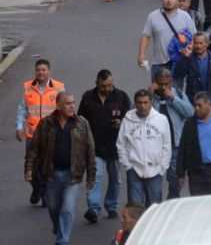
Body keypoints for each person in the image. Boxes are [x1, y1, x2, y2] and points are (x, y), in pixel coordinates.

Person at [25, 92, 96, 245]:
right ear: (58, 106)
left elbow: (90, 151)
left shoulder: (81, 123)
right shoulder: (46, 124)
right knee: (53, 207)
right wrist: (29, 169)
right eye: (67, 103)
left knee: (67, 208)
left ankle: (62, 240)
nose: (72, 106)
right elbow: (34, 149)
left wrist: (91, 176)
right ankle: (59, 228)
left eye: (73, 103)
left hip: (73, 175)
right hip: (51, 175)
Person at [79, 69, 131, 222]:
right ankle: (93, 209)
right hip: (94, 147)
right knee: (95, 178)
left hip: (115, 147)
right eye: (104, 86)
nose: (108, 89)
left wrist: (121, 122)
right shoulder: (87, 97)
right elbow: (81, 120)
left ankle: (111, 206)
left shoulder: (121, 97)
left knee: (115, 179)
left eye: (110, 85)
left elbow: (130, 118)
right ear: (97, 83)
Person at [17, 59, 65, 206]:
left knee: (47, 166)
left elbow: (64, 109)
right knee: (30, 168)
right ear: (35, 71)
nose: (41, 73)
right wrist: (19, 127)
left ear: (49, 71)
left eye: (44, 70)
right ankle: (37, 188)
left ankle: (45, 194)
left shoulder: (59, 88)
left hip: (51, 134)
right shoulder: (28, 87)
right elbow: (22, 110)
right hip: (32, 134)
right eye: (38, 70)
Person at [116, 88, 172, 207]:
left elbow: (167, 145)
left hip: (155, 171)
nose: (142, 106)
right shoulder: (128, 119)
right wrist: (128, 166)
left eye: (145, 102)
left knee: (154, 209)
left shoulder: (161, 120)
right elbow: (121, 144)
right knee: (135, 209)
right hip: (134, 170)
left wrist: (162, 168)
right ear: (135, 103)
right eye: (139, 103)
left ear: (151, 102)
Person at [176, 91, 211, 195]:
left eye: (200, 105)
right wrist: (181, 173)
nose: (197, 108)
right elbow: (183, 149)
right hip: (196, 171)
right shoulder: (190, 124)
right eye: (195, 105)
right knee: (197, 203)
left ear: (209, 105)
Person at [149, 67, 193, 199]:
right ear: (155, 82)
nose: (163, 87)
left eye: (166, 84)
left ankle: (172, 199)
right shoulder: (149, 97)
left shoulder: (178, 94)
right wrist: (150, 95)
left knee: (175, 179)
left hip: (175, 146)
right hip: (155, 147)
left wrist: (173, 99)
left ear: (171, 82)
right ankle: (155, 205)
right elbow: (136, 114)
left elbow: (190, 113)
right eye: (160, 84)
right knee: (154, 181)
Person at [138, 0, 198, 82]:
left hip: (178, 62)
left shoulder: (185, 16)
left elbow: (194, 37)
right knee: (157, 93)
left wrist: (189, 50)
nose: (169, 0)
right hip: (159, 62)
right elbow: (146, 36)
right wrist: (141, 55)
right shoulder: (153, 16)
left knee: (175, 93)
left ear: (177, 1)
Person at [173, 31, 211, 109]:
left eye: (201, 43)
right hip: (195, 103)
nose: (198, 46)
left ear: (207, 44)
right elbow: (178, 74)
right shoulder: (188, 59)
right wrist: (185, 58)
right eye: (196, 43)